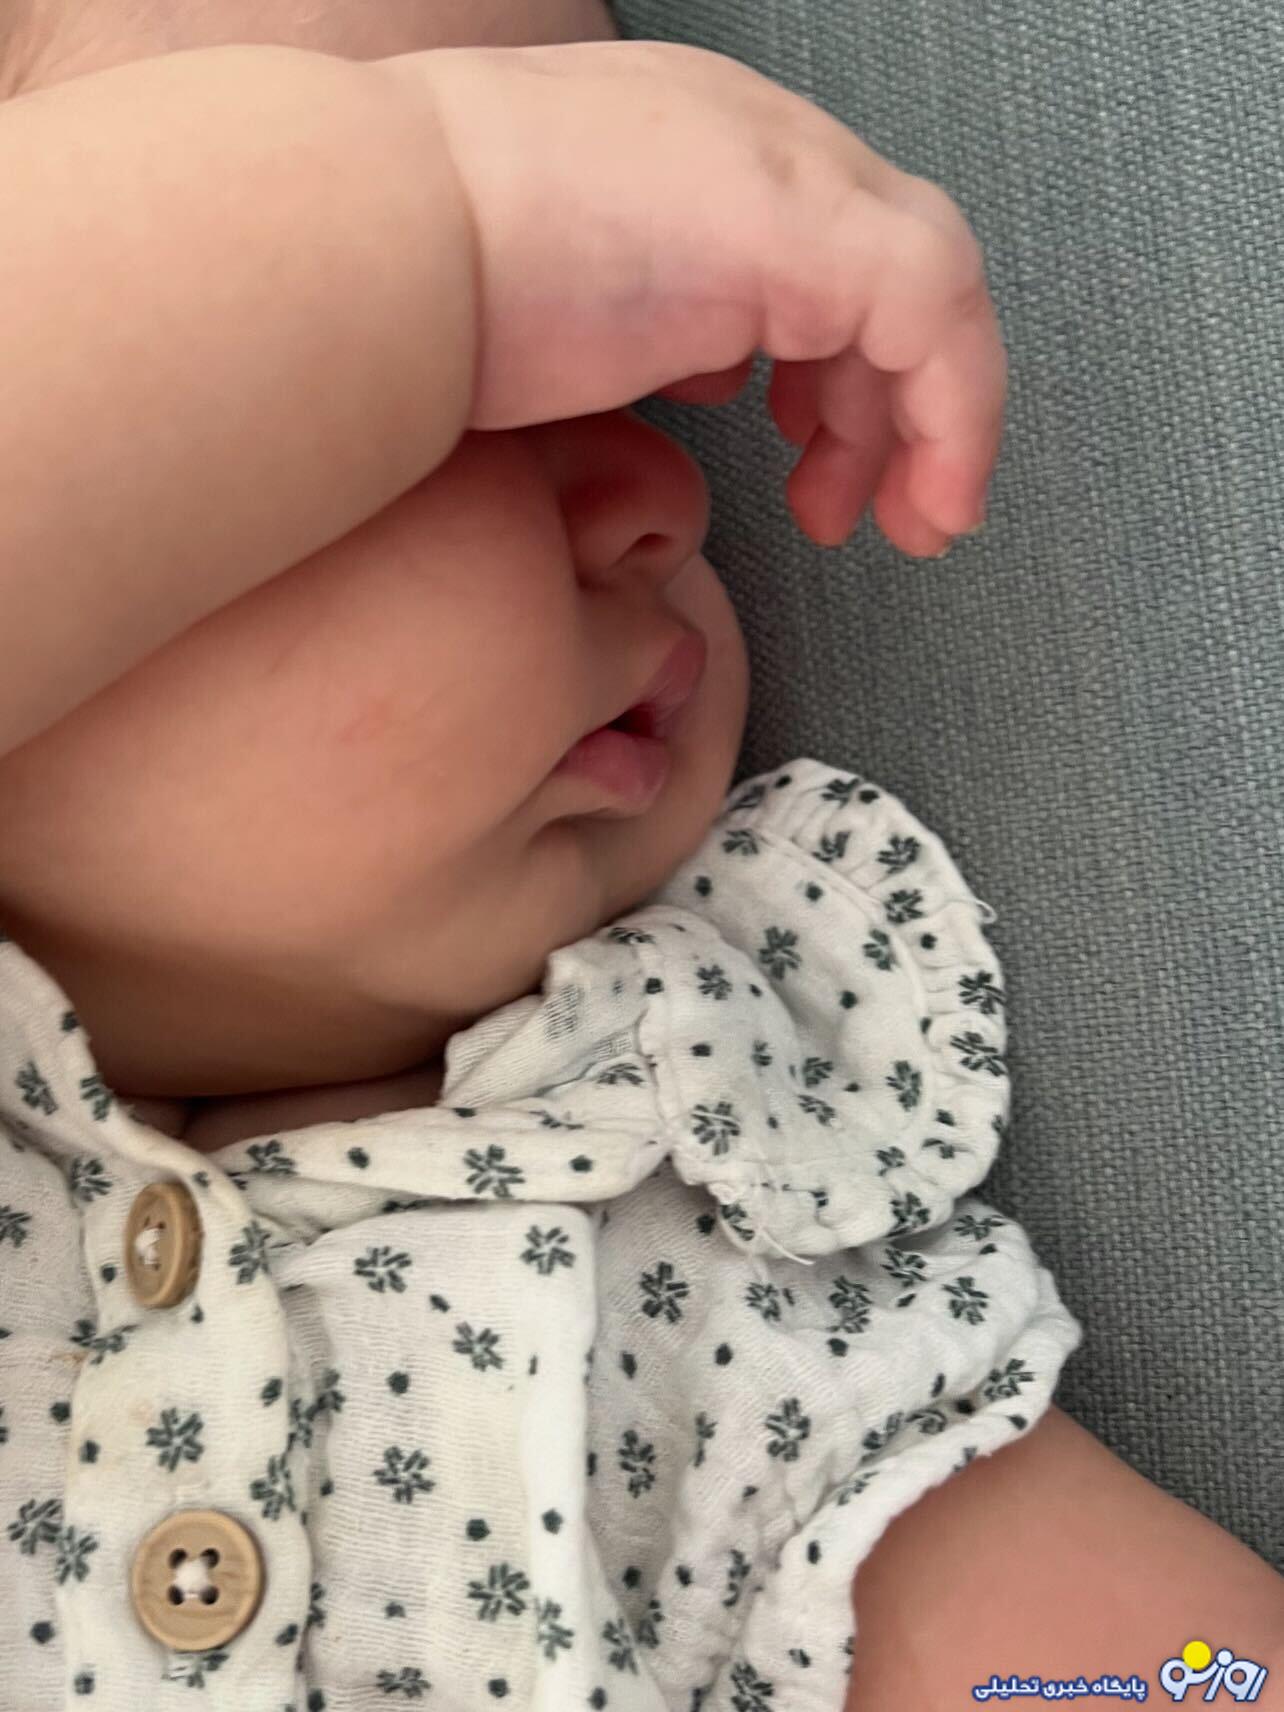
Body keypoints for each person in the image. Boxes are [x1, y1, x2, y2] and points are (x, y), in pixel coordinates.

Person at [0, 1, 1278, 1708]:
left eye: (619, 377)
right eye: (424, 391)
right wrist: (448, 211)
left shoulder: (713, 1232)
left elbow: (1155, 1670)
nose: (666, 495)